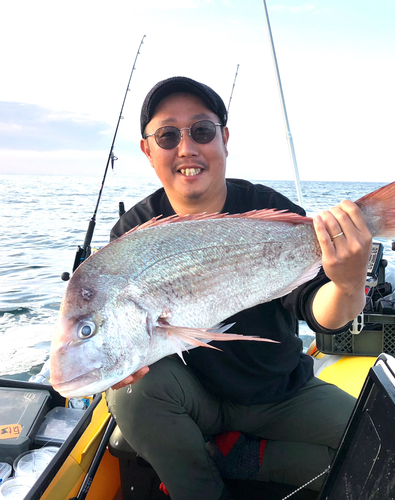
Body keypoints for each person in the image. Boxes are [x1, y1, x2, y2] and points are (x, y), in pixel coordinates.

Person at [106, 76, 372, 500]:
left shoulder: (271, 213)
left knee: (380, 447)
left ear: (224, 139)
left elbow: (322, 311)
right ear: (148, 149)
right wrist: (116, 361)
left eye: (202, 131)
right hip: (195, 404)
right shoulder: (132, 235)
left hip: (281, 394)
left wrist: (350, 280)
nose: (187, 148)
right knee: (132, 394)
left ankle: (242, 458)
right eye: (167, 135)